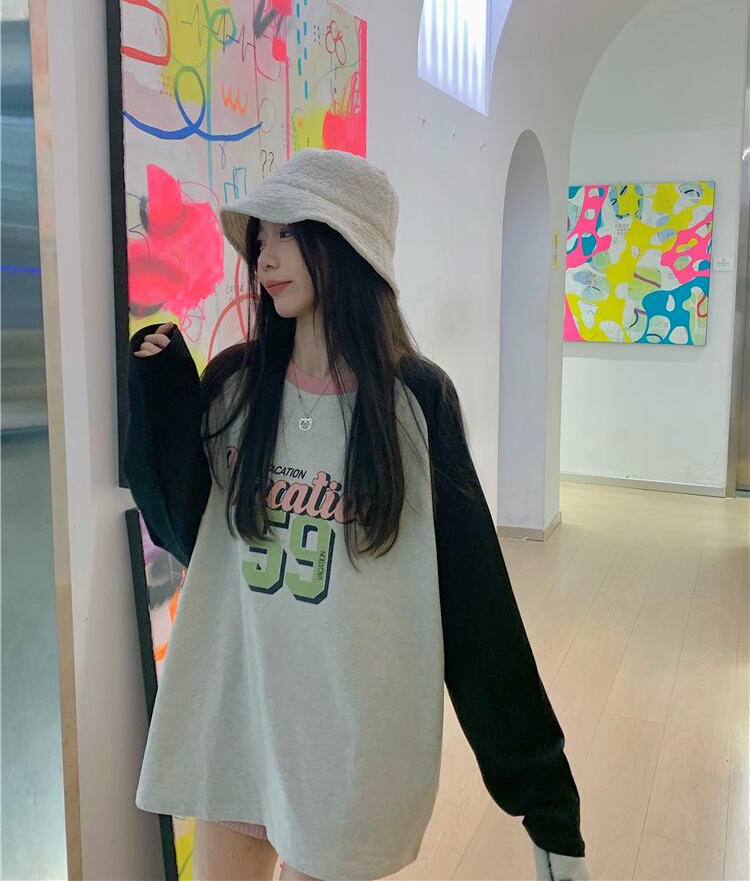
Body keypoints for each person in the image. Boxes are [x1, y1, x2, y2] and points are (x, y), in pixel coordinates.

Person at [124, 148, 590, 881]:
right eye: (261, 237)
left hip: (348, 740)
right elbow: (191, 533)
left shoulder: (413, 403)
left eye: (289, 234)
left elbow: (476, 605)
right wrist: (159, 396)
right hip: (240, 713)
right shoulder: (238, 386)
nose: (264, 256)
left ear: (347, 243)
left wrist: (546, 803)